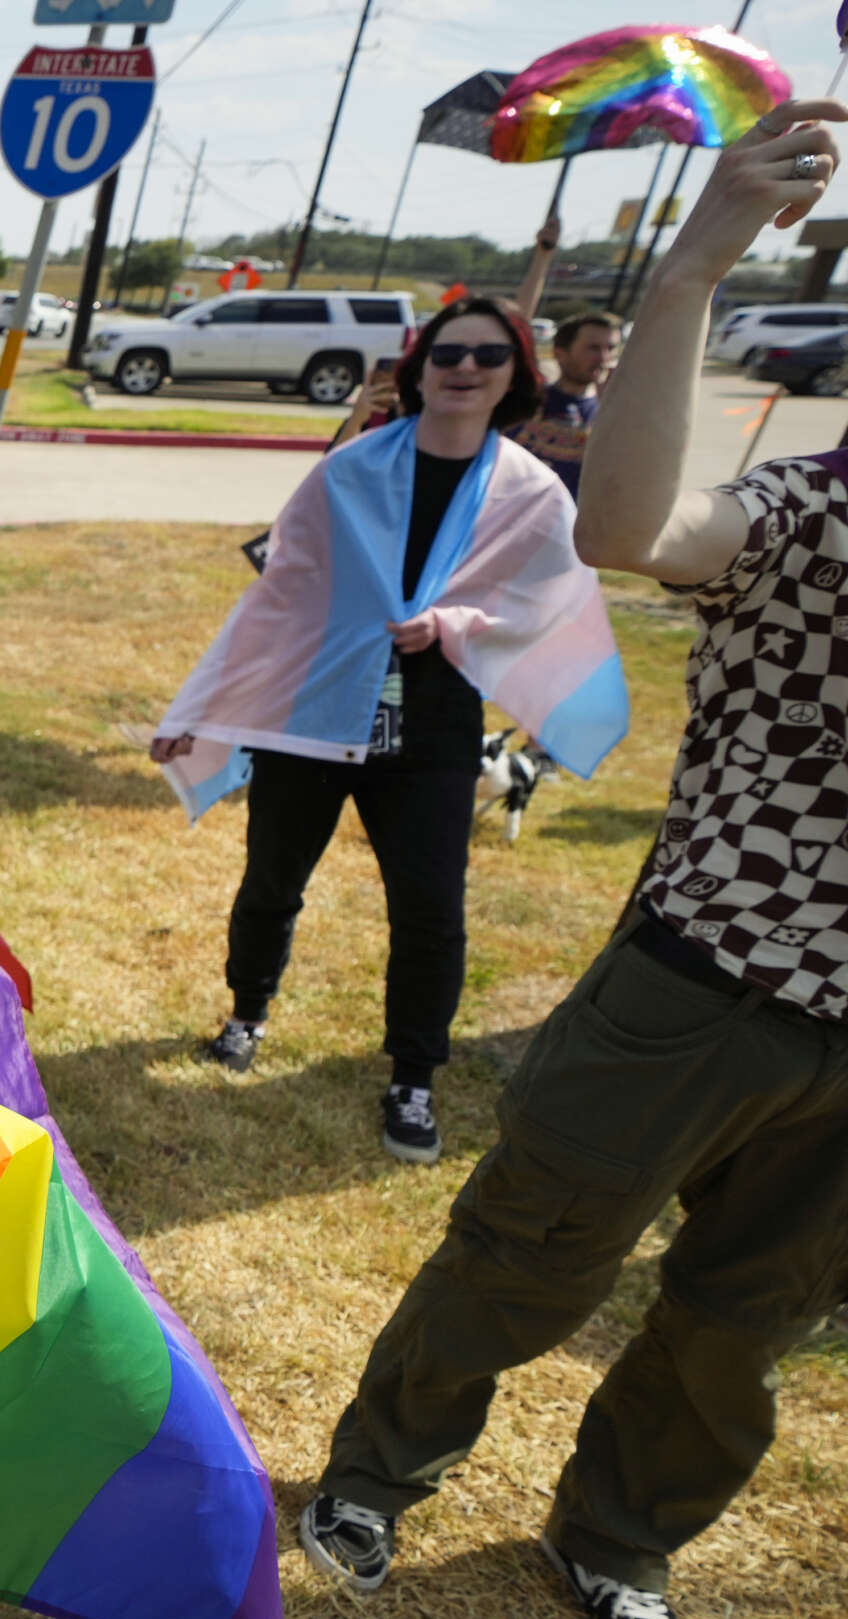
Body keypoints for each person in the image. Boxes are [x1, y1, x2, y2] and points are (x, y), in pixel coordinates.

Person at [300, 99, 848, 1619]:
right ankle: (377, 1469)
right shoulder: (817, 514)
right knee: (528, 1253)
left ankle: (618, 1537)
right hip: (703, 984)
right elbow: (631, 527)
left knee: (745, 1327)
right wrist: (692, 269)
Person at [152, 293, 627, 1165]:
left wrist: (456, 624)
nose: (465, 368)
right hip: (315, 710)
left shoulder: (530, 491)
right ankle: (246, 1012)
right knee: (270, 883)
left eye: (488, 356)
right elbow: (281, 599)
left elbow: (548, 605)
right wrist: (198, 707)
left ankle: (414, 1074)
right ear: (419, 368)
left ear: (515, 375)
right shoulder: (352, 470)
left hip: (435, 721)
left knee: (431, 910)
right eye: (448, 353)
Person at [506, 310, 621, 498]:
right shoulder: (527, 399)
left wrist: (610, 408)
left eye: (611, 348)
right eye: (593, 348)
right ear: (560, 354)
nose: (603, 358)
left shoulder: (611, 413)